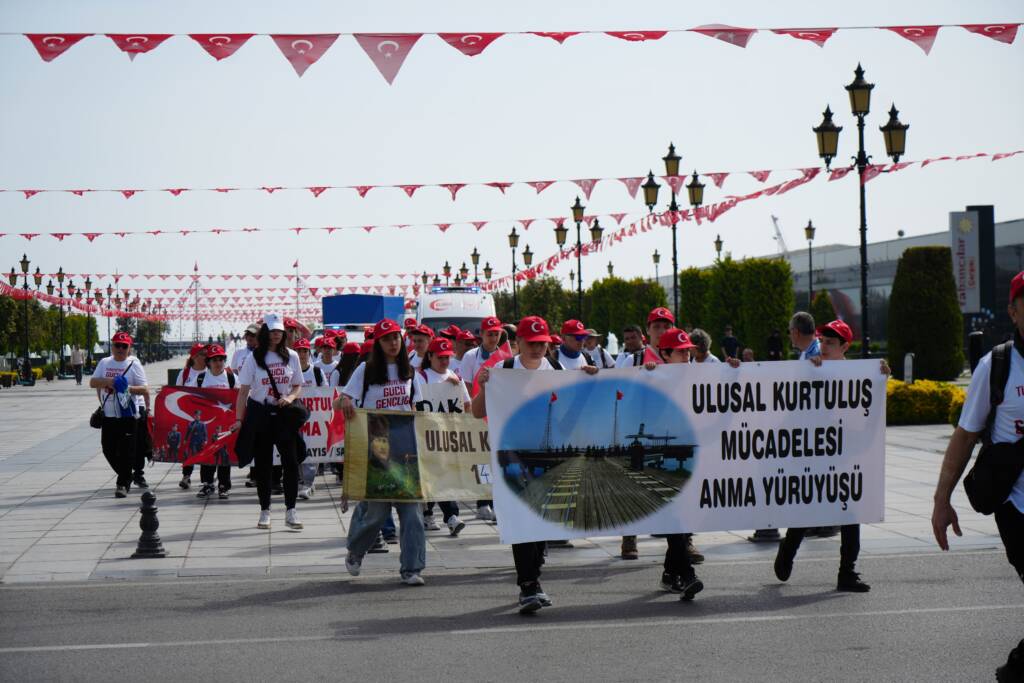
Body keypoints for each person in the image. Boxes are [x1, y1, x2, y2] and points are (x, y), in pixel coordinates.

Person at [472, 315, 599, 614]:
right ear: (517, 343)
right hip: (514, 458)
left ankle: (535, 572)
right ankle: (529, 585)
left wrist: (588, 382)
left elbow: (570, 416)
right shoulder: (502, 370)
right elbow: (478, 412)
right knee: (522, 520)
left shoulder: (555, 370)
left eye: (542, 344)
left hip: (548, 456)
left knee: (540, 521)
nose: (537, 349)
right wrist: (483, 386)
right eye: (531, 343)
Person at [932, 272, 1024, 682]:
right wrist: (941, 500)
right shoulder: (998, 365)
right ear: (1013, 311)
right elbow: (966, 434)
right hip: (1015, 502)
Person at [774, 320, 887, 593]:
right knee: (809, 504)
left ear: (845, 347)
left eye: (830, 343)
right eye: (822, 341)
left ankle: (847, 571)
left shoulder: (859, 373)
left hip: (847, 453)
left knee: (850, 512)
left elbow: (871, 405)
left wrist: (882, 374)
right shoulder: (812, 368)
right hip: (816, 451)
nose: (823, 346)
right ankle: (788, 549)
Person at [340, 318, 427, 586]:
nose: (393, 343)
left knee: (412, 514)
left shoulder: (411, 372)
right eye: (387, 338)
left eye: (396, 338)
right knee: (376, 514)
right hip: (375, 452)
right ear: (377, 343)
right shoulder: (365, 371)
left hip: (406, 453)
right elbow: (345, 399)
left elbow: (421, 409)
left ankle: (412, 568)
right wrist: (344, 402)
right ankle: (355, 550)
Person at [232, 313, 305, 531]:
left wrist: (290, 398)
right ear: (265, 333)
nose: (275, 335)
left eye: (279, 331)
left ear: (283, 334)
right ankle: (265, 510)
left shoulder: (291, 356)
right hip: (260, 412)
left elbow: (297, 384)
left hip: (284, 413)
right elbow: (243, 391)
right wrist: (238, 419)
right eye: (272, 331)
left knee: (291, 461)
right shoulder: (254, 358)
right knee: (263, 464)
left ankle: (291, 510)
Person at [646, 327, 704, 600]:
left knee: (681, 520)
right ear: (665, 354)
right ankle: (689, 575)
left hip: (688, 459)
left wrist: (733, 368)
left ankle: (671, 574)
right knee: (675, 520)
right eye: (681, 352)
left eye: (688, 351)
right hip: (662, 461)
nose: (686, 356)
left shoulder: (698, 375)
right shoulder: (651, 376)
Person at [452, 315, 505, 521]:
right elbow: (465, 386)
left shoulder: (505, 356)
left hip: (498, 413)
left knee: (497, 459)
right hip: (478, 413)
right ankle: (483, 502)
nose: (493, 338)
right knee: (482, 459)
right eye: (489, 334)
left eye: (496, 334)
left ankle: (497, 501)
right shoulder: (471, 357)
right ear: (481, 335)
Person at [417, 336, 470, 537]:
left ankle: (432, 512)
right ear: (430, 356)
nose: (445, 362)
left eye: (447, 357)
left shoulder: (455, 378)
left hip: (449, 438)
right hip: (427, 437)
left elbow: (466, 405)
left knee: (443, 476)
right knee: (437, 476)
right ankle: (449, 516)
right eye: (440, 357)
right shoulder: (421, 378)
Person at [89, 331, 149, 498]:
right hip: (108, 415)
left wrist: (126, 388)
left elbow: (144, 389)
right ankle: (127, 475)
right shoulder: (104, 363)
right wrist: (109, 382)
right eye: (117, 345)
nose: (120, 349)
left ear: (129, 348)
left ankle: (122, 484)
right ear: (112, 346)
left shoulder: (134, 364)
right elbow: (93, 382)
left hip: (129, 415)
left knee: (126, 451)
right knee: (107, 449)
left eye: (124, 346)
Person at [194, 344, 235, 499]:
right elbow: (189, 395)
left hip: (225, 424)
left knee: (224, 455)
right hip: (207, 424)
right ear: (209, 362)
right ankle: (207, 484)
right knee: (206, 454)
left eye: (221, 359)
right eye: (215, 359)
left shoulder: (231, 378)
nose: (219, 362)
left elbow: (241, 396)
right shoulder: (200, 378)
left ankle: (224, 485)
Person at [293, 337, 324, 500]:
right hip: (296, 418)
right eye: (299, 351)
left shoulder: (317, 372)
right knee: (298, 448)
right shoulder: (290, 372)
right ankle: (301, 480)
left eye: (305, 350)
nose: (302, 354)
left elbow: (326, 392)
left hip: (314, 418)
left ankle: (308, 483)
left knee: (312, 449)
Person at [176, 343, 207, 490]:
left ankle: (206, 479)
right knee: (189, 446)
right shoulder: (185, 374)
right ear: (194, 357)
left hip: (206, 415)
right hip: (189, 415)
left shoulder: (210, 371)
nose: (206, 356)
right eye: (202, 354)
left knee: (204, 447)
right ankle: (186, 476)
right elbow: (177, 391)